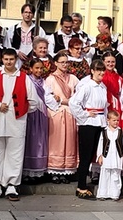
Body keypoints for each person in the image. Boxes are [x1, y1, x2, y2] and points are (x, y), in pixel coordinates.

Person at [0, 49, 38, 201]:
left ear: (16, 60)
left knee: (15, 153)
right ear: (2, 60)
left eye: (11, 59)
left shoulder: (24, 78)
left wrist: (20, 110)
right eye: (6, 59)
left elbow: (33, 101)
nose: (9, 62)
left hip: (16, 122)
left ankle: (12, 184)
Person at [68, 59, 109, 200]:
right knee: (85, 155)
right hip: (88, 124)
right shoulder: (87, 86)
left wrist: (106, 120)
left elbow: (105, 106)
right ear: (92, 71)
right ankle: (81, 186)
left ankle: (93, 184)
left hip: (100, 122)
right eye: (98, 70)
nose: (101, 73)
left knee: (93, 154)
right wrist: (85, 114)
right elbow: (73, 103)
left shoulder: (103, 87)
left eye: (103, 70)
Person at [44, 50, 79, 184]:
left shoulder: (73, 78)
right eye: (62, 62)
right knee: (56, 142)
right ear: (56, 63)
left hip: (70, 112)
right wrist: (58, 100)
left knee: (69, 141)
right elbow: (47, 96)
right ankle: (54, 171)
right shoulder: (50, 79)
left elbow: (79, 94)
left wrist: (70, 101)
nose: (65, 65)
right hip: (56, 113)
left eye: (66, 62)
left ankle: (66, 170)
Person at [22, 59, 49, 181]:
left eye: (41, 68)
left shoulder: (44, 82)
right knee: (30, 140)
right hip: (30, 113)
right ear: (31, 69)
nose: (39, 70)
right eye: (36, 68)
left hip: (41, 114)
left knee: (40, 140)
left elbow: (48, 95)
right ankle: (27, 171)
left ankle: (38, 171)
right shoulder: (27, 80)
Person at [95, 110, 123, 201]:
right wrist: (99, 156)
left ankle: (114, 194)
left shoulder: (121, 132)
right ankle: (103, 194)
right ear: (108, 120)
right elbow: (100, 145)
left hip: (117, 157)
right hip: (106, 157)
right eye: (114, 120)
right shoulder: (104, 132)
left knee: (115, 175)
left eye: (117, 120)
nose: (116, 122)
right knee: (105, 175)